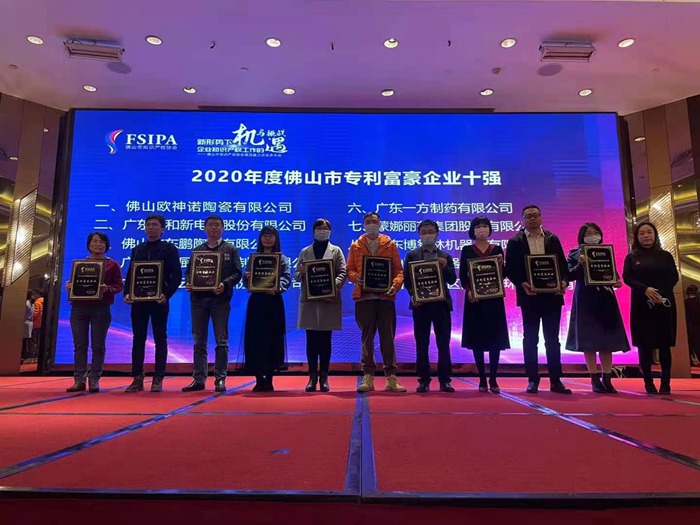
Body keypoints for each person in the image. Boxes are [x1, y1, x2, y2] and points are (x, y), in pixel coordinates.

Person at [505, 205, 571, 394]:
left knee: (553, 340)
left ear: (541, 218)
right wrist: (522, 283)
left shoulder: (552, 238)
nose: (532, 218)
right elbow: (510, 269)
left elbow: (562, 265)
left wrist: (564, 281)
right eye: (528, 216)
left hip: (552, 297)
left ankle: (556, 380)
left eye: (535, 215)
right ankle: (532, 379)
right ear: (522, 220)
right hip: (529, 296)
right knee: (530, 339)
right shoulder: (515, 241)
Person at [565, 223, 630, 394]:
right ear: (582, 236)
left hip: (606, 299)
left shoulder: (605, 251)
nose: (593, 236)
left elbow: (612, 275)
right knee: (589, 341)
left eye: (595, 232)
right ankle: (594, 379)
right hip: (586, 300)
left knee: (606, 342)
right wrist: (580, 265)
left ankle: (607, 378)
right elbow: (568, 275)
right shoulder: (575, 253)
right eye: (588, 233)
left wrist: (617, 281)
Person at [347, 212, 406, 393]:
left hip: (385, 297)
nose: (371, 224)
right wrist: (356, 277)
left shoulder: (390, 244)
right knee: (367, 338)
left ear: (380, 224)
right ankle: (368, 376)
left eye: (374, 221)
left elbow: (398, 270)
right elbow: (350, 269)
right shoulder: (356, 246)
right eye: (368, 222)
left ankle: (391, 378)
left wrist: (395, 285)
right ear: (363, 225)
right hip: (364, 297)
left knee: (388, 338)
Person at [182, 215, 242, 393]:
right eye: (210, 225)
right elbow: (189, 272)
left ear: (222, 228)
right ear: (205, 228)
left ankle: (220, 379)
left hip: (220, 300)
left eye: (217, 225)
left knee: (221, 341)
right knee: (199, 341)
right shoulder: (198, 250)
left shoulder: (230, 249)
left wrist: (224, 284)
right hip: (198, 300)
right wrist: (189, 282)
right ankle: (198, 379)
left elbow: (237, 273)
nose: (213, 228)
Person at [123, 214, 182, 392]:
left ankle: (158, 377)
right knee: (138, 339)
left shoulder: (169, 249)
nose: (151, 227)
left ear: (162, 229)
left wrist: (166, 295)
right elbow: (131, 273)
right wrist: (127, 293)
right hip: (139, 301)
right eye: (148, 225)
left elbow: (177, 275)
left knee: (160, 339)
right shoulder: (138, 249)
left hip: (159, 300)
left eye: (155, 225)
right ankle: (137, 377)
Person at [623, 221, 679, 395]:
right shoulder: (632, 257)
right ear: (636, 237)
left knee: (664, 345)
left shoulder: (665, 256)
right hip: (641, 305)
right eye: (642, 233)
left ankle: (665, 383)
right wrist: (645, 289)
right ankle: (648, 383)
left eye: (649, 232)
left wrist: (659, 294)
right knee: (644, 345)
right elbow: (627, 277)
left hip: (663, 302)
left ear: (655, 235)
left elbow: (673, 277)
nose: (646, 236)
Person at [65, 232, 124, 392]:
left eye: (102, 242)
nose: (98, 244)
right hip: (78, 308)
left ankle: (94, 378)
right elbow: (76, 284)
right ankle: (79, 380)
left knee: (98, 345)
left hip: (101, 309)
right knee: (80, 346)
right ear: (89, 244)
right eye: (95, 241)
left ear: (106, 245)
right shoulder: (81, 264)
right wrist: (70, 286)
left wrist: (107, 289)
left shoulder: (112, 264)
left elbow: (119, 285)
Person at [404, 219, 456, 393]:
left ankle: (445, 380)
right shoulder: (412, 256)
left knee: (443, 344)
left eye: (430, 232)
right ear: (419, 235)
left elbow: (452, 279)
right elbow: (408, 281)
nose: (427, 235)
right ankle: (423, 380)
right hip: (421, 306)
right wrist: (413, 296)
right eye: (424, 232)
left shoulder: (445, 256)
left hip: (441, 305)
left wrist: (446, 267)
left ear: (437, 234)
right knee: (422, 343)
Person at [295, 219, 347, 392]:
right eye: (318, 228)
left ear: (330, 231)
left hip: (328, 301)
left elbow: (343, 272)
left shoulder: (336, 250)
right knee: (311, 340)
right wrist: (300, 273)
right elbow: (296, 274)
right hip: (309, 301)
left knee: (325, 340)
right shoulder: (305, 251)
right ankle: (312, 377)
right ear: (313, 231)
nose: (322, 231)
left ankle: (324, 377)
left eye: (325, 228)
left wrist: (332, 288)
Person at [460, 216, 510, 393]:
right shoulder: (467, 250)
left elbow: (503, 275)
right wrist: (469, 290)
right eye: (478, 226)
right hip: (475, 300)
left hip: (494, 300)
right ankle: (482, 378)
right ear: (472, 230)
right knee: (478, 340)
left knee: (495, 340)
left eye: (485, 226)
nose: (482, 229)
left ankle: (494, 378)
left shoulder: (497, 249)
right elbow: (463, 276)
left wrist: (501, 266)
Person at [243, 226, 291, 392]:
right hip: (257, 303)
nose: (268, 238)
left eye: (271, 235)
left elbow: (286, 279)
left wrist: (277, 288)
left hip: (273, 302)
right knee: (256, 340)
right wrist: (247, 278)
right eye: (265, 235)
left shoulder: (282, 259)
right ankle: (258, 379)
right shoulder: (253, 258)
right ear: (260, 238)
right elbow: (246, 281)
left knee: (273, 339)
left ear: (276, 239)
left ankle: (269, 378)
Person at [684, 285, 700, 366]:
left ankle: (693, 360)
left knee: (693, 344)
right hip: (697, 326)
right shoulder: (697, 302)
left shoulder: (687, 302)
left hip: (691, 327)